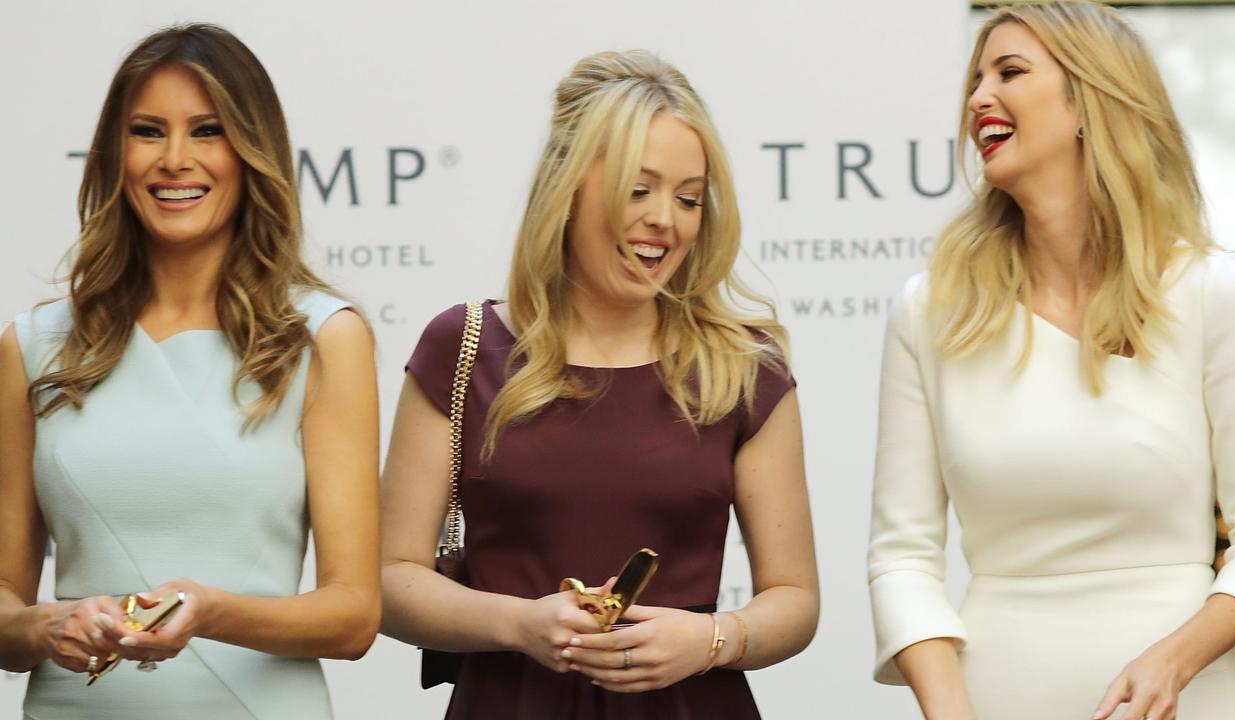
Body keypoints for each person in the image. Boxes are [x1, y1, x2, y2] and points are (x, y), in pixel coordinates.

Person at [866, 2, 1235, 720]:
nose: (977, 98)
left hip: (1187, 701)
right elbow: (901, 558)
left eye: (1010, 72)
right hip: (996, 697)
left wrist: (1173, 661)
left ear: (1089, 100)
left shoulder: (1211, 293)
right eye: (975, 78)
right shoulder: (930, 311)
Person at [380, 49, 819, 719]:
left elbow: (795, 597)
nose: (664, 220)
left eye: (688, 197)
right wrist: (520, 625)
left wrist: (710, 639)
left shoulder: (743, 368)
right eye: (637, 188)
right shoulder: (463, 347)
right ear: (567, 189)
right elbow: (388, 582)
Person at [0, 24, 380, 719]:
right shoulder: (33, 345)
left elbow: (354, 616)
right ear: (116, 155)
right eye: (148, 131)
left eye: (207, 131)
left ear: (251, 150)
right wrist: (43, 626)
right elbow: (3, 602)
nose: (175, 160)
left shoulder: (321, 339)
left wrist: (206, 612)